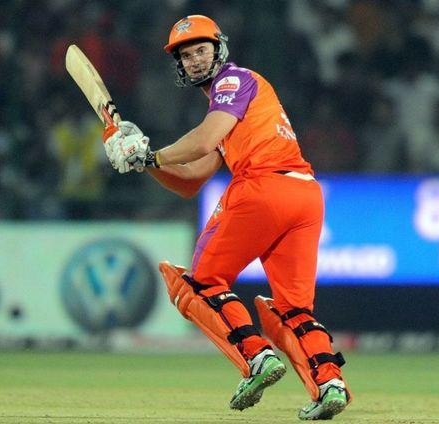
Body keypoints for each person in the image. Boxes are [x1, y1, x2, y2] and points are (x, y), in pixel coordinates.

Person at [104, 15, 351, 420]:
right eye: (187, 55)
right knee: (292, 309)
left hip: (265, 188)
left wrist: (148, 153)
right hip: (305, 195)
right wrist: (144, 161)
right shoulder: (230, 107)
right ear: (179, 65)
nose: (196, 60)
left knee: (198, 284)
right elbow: (190, 180)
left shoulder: (232, 82)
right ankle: (329, 383)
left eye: (202, 49)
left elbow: (201, 139)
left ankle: (256, 358)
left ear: (220, 49)